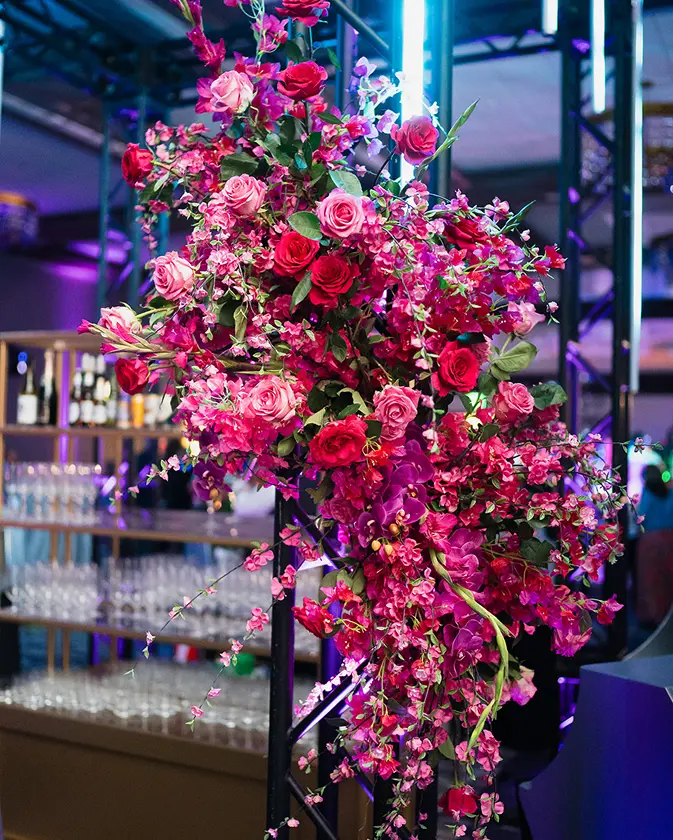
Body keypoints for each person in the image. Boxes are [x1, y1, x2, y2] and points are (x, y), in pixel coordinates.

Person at [636, 464, 673, 626]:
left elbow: (641, 517)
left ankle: (651, 616)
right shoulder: (670, 493)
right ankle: (665, 616)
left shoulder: (648, 492)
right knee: (667, 579)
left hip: (651, 540)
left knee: (650, 579)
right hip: (670, 538)